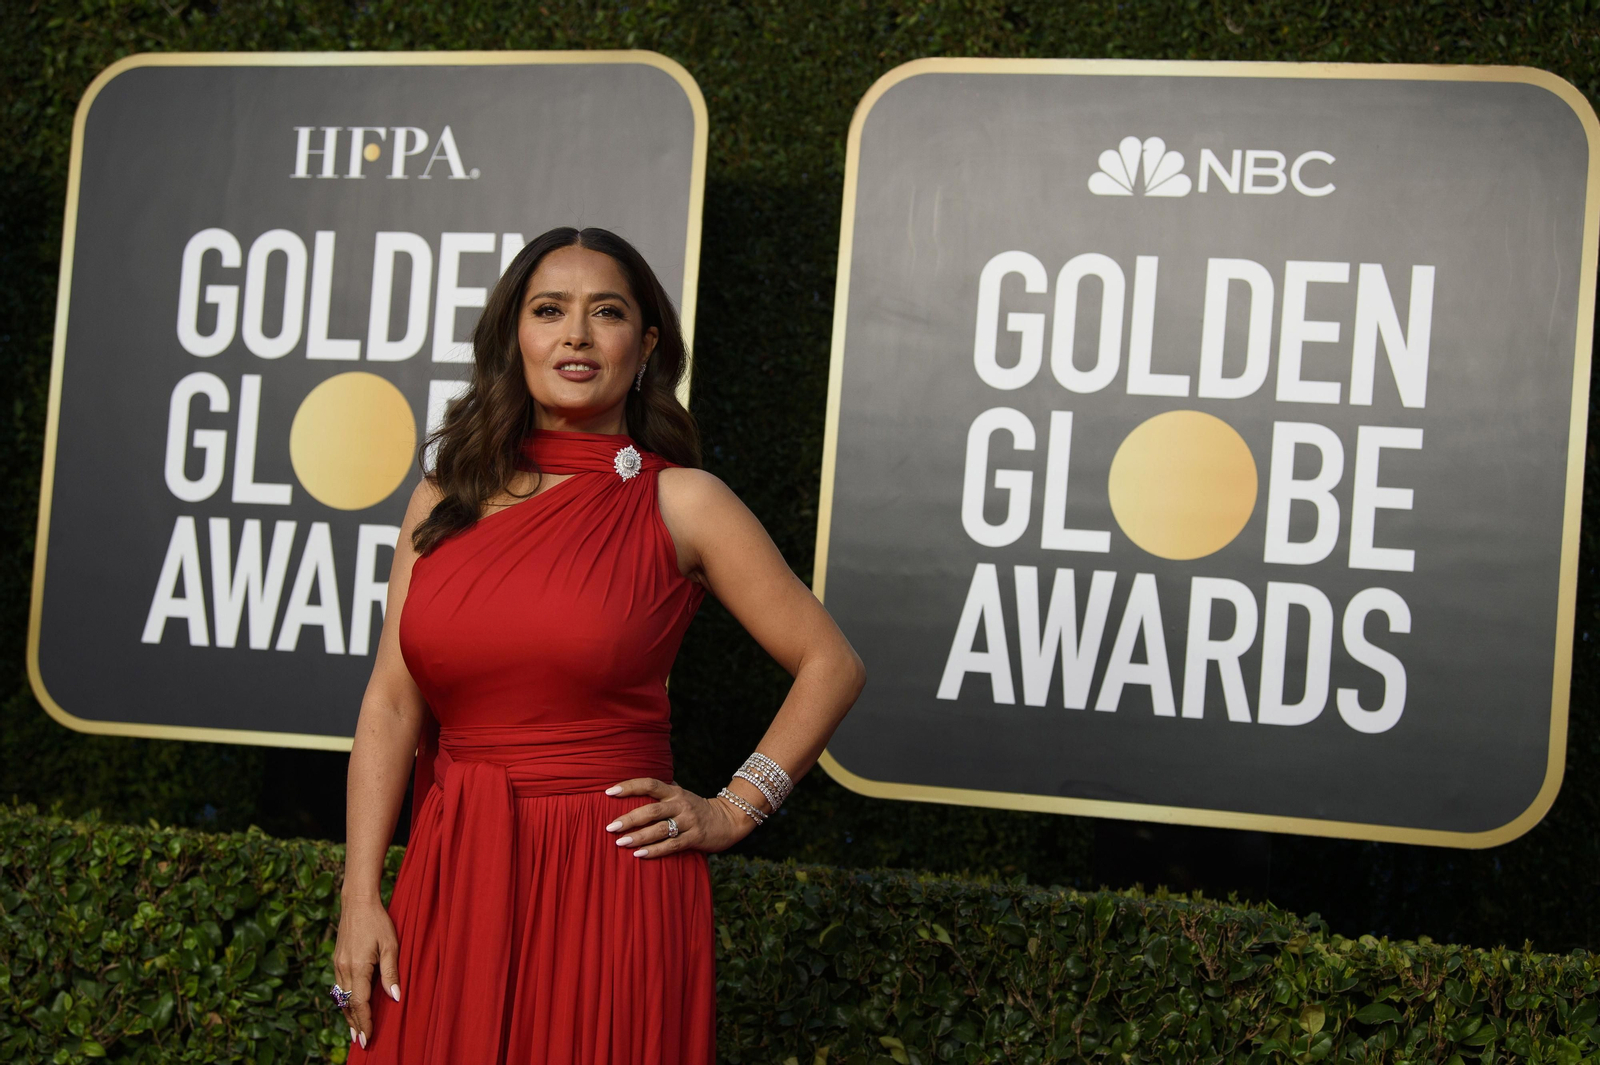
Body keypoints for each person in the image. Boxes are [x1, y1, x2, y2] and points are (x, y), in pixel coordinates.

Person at [330, 226, 866, 1064]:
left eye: (606, 312)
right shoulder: (445, 497)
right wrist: (361, 894)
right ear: (517, 335)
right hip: (454, 864)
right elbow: (391, 704)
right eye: (550, 310)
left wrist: (733, 808)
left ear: (645, 344)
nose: (576, 334)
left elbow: (831, 662)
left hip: (611, 875)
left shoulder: (682, 501)